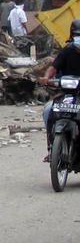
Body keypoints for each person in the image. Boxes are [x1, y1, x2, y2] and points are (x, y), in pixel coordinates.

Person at [40, 18, 80, 160]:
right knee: (47, 111)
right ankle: (52, 149)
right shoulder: (66, 51)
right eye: (77, 35)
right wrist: (46, 77)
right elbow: (53, 67)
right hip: (67, 94)